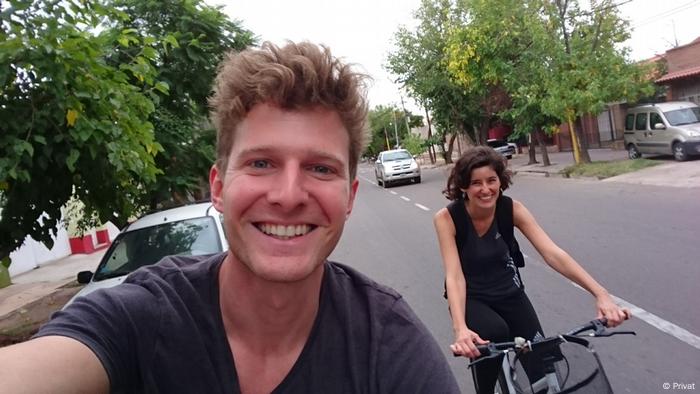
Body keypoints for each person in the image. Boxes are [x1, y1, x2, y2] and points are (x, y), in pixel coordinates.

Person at [0, 42, 459, 393]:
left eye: (321, 168)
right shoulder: (142, 317)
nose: (287, 195)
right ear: (218, 187)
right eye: (261, 163)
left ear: (350, 196)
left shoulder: (388, 343)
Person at [433, 146, 630, 393]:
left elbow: (553, 253)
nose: (485, 190)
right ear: (463, 187)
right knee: (493, 333)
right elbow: (454, 276)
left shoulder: (511, 209)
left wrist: (601, 294)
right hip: (472, 299)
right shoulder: (447, 218)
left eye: (491, 180)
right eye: (476, 183)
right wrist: (460, 329)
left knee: (542, 362)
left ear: (500, 181)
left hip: (510, 293)